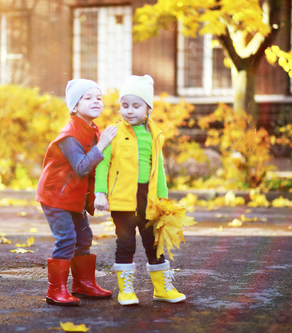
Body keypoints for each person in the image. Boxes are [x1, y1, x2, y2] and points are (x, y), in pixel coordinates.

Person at [94, 75, 186, 305]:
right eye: (125, 105)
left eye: (136, 106)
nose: (130, 111)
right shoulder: (114, 132)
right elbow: (102, 164)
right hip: (123, 200)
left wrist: (163, 200)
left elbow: (160, 169)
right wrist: (100, 193)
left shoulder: (154, 135)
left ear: (148, 108)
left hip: (149, 199)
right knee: (125, 244)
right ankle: (126, 290)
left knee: (154, 243)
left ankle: (161, 289)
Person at [36, 78, 117, 306]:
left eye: (99, 98)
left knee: (84, 237)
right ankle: (55, 290)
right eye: (88, 98)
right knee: (67, 238)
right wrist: (102, 146)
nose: (96, 101)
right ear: (74, 106)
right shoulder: (70, 135)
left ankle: (83, 284)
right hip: (56, 196)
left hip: (74, 197)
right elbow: (82, 167)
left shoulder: (92, 130)